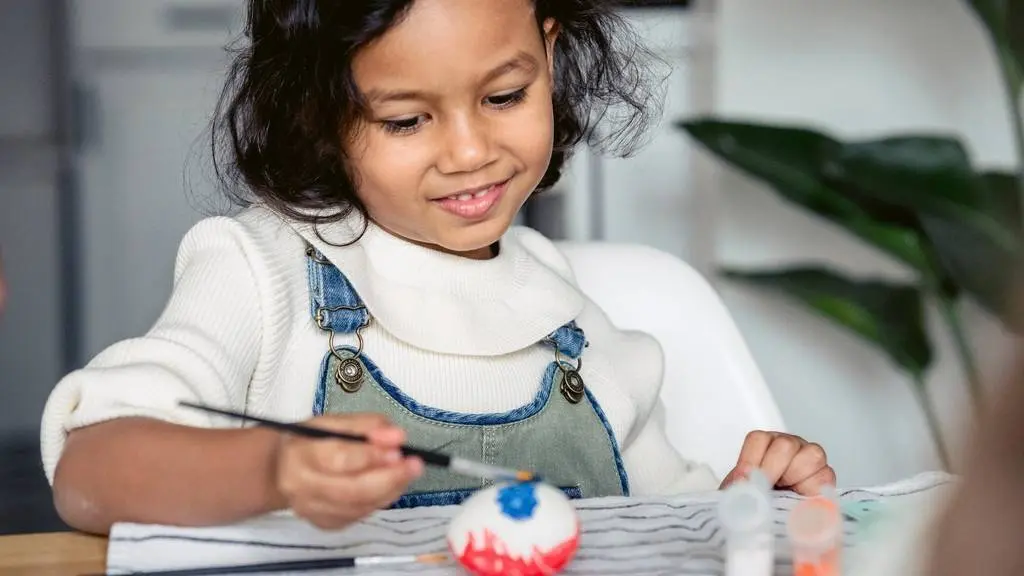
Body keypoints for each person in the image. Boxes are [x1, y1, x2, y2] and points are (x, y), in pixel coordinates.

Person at [43, 0, 836, 535]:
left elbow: (669, 528)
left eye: (504, 96)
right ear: (318, 117)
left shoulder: (569, 320)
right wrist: (275, 469)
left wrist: (757, 507)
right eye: (406, 118)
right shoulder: (261, 269)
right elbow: (90, 471)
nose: (469, 152)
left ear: (548, 59)